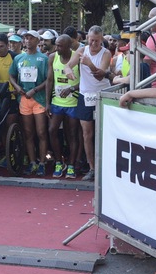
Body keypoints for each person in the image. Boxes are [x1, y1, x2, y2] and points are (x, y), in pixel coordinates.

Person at [66, 25, 111, 182]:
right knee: (87, 133)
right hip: (85, 95)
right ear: (87, 39)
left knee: (103, 132)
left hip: (102, 95)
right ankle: (92, 167)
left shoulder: (106, 53)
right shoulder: (81, 50)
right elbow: (68, 65)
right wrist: (68, 70)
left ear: (101, 40)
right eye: (91, 40)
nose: (94, 44)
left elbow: (100, 75)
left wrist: (89, 63)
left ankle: (105, 165)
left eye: (97, 41)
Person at [8, 29, 49, 176]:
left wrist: (36, 90)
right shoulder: (19, 58)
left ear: (37, 41)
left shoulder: (44, 59)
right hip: (24, 99)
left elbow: (49, 80)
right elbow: (11, 75)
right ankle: (32, 162)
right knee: (28, 133)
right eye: (25, 38)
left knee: (41, 132)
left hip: (39, 99)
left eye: (31, 38)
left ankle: (42, 163)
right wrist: (17, 87)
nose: (27, 41)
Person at [46, 35, 81, 178]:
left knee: (72, 134)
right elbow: (49, 80)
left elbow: (85, 81)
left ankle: (71, 164)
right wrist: (47, 103)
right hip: (57, 102)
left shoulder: (77, 58)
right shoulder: (52, 57)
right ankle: (59, 162)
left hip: (73, 102)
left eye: (60, 46)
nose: (57, 48)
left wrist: (72, 88)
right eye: (56, 45)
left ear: (68, 46)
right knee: (52, 130)